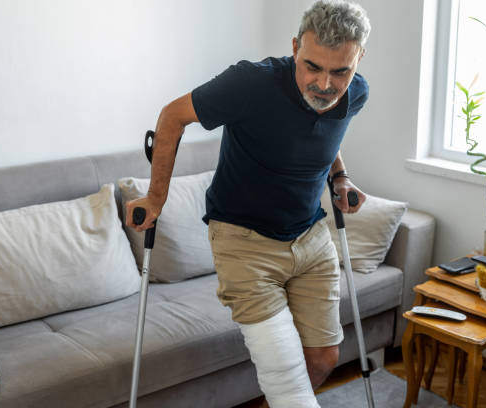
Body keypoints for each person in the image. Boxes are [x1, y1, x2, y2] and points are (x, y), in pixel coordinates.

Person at [125, 1, 371, 406]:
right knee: (288, 382)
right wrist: (155, 197)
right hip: (244, 241)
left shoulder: (355, 94)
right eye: (312, 66)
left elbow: (326, 135)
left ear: (359, 58)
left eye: (340, 71)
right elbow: (173, 116)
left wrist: (340, 176)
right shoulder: (249, 83)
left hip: (311, 238)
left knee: (325, 358)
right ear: (295, 47)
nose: (324, 84)